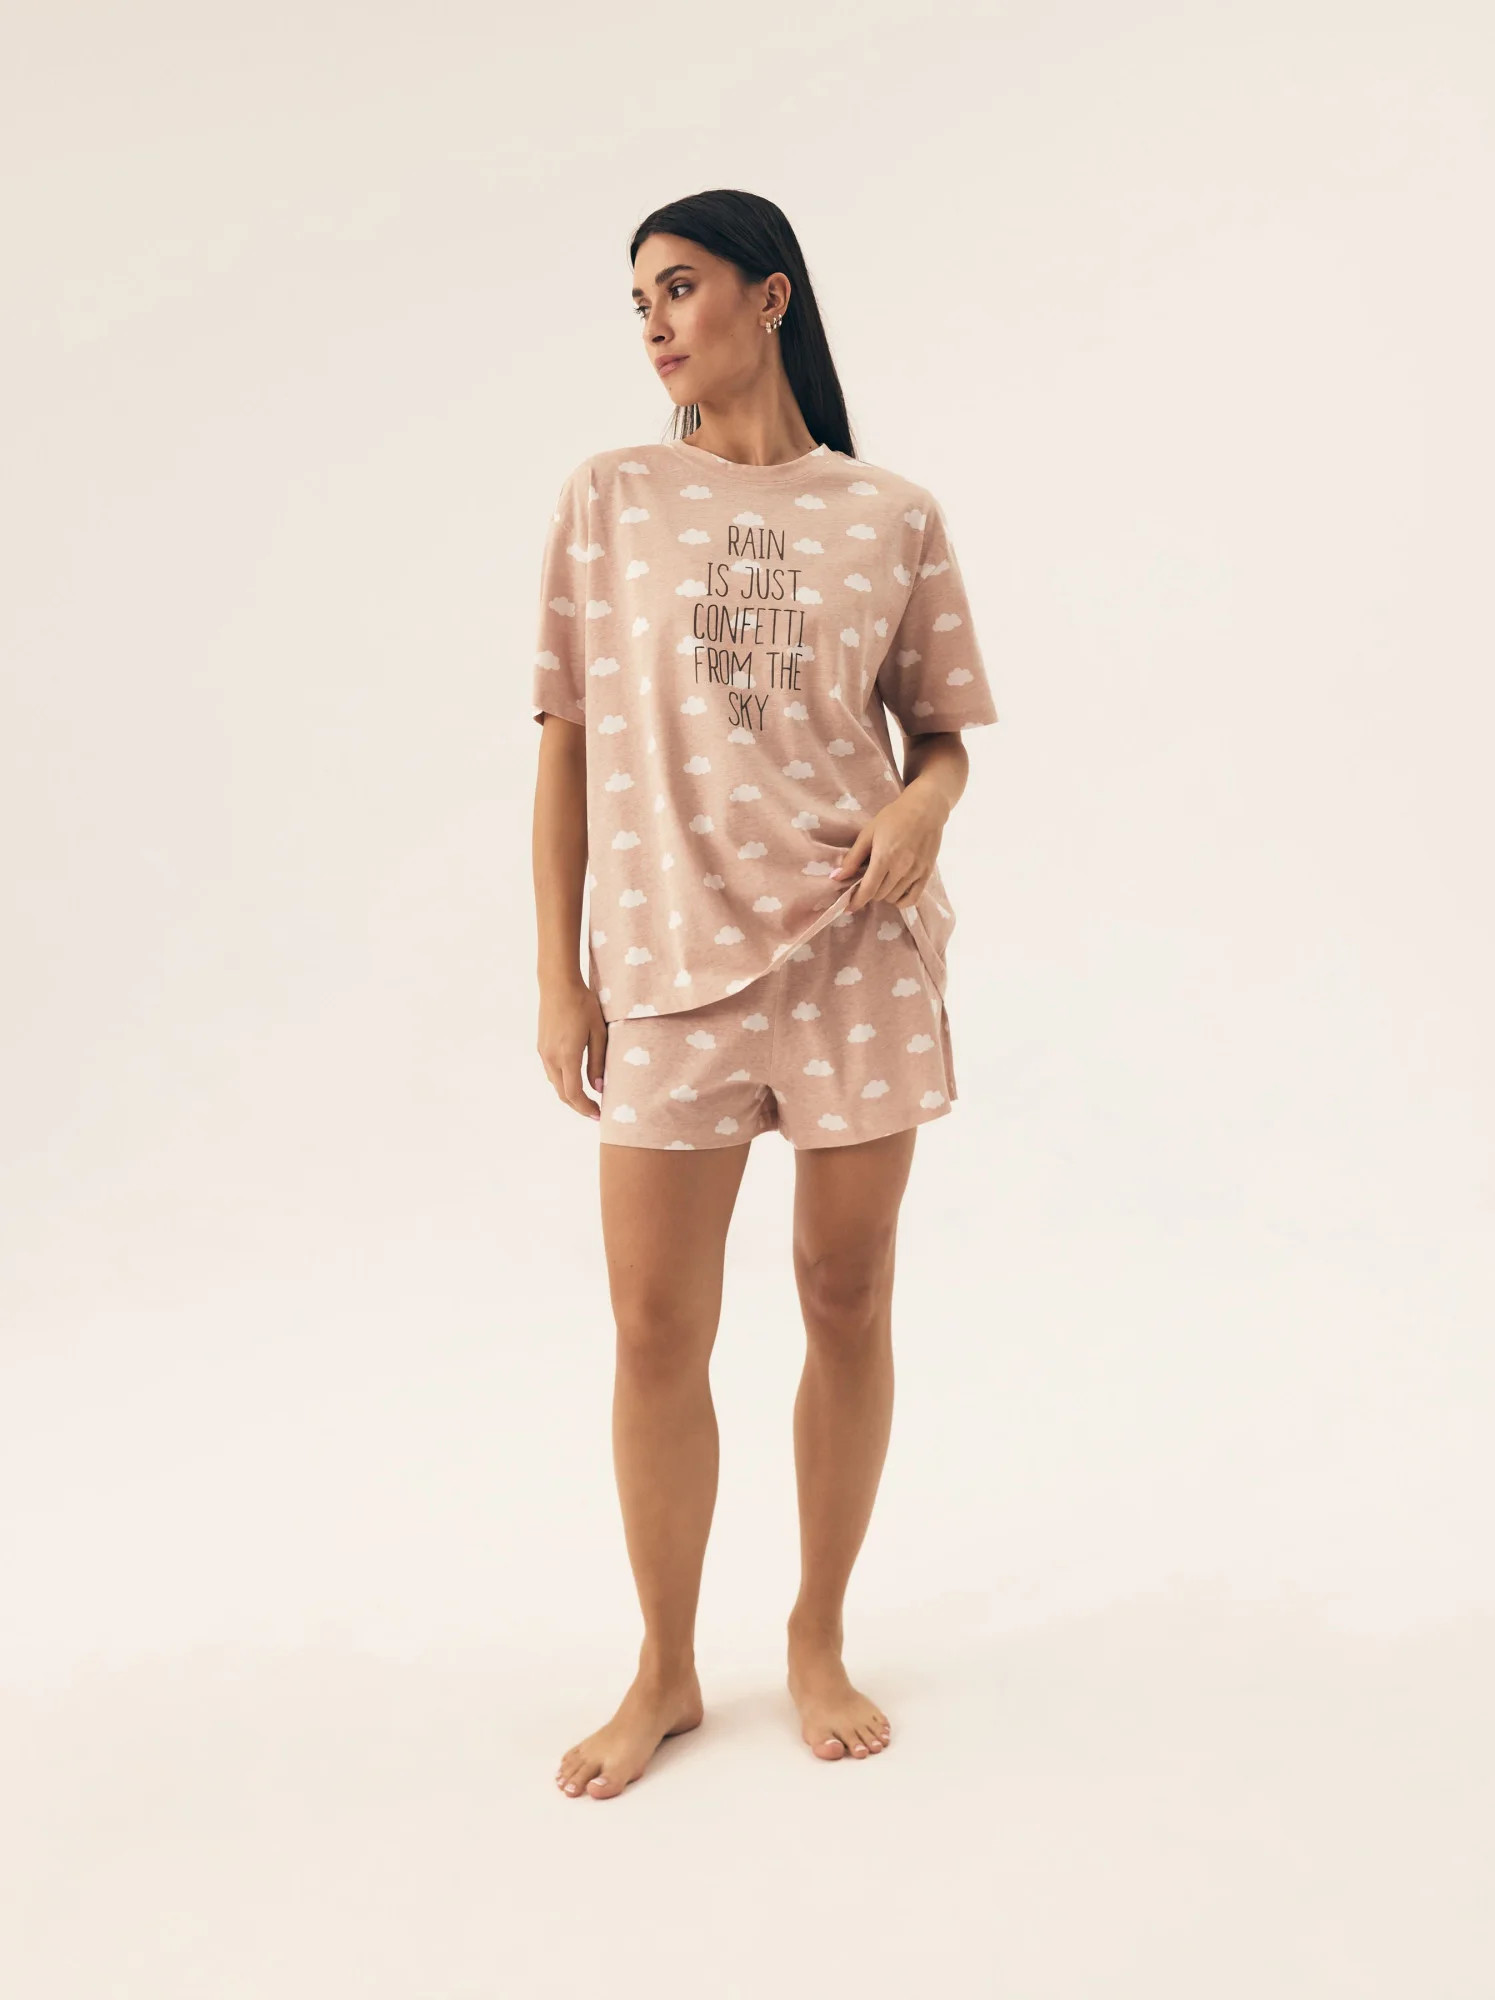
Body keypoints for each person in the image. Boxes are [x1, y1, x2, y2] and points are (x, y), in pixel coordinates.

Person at [531, 189, 999, 1801]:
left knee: (846, 1297)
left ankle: (817, 1636)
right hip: (669, 972)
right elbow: (565, 745)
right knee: (655, 1327)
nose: (656, 322)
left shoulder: (891, 512)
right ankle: (664, 1667)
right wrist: (561, 976)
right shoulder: (610, 497)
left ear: (772, 295)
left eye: (681, 287)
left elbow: (942, 735)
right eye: (639, 301)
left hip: (858, 954)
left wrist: (923, 808)